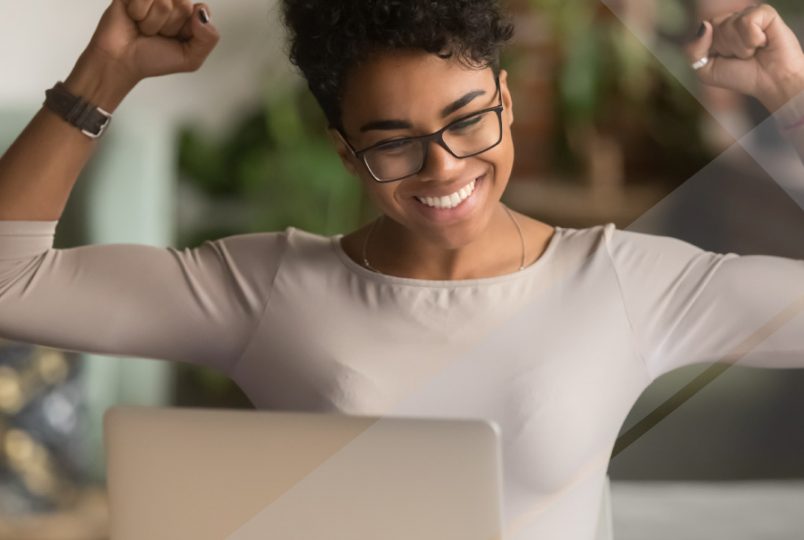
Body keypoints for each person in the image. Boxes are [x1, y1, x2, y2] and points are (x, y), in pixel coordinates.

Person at [0, 1, 802, 538]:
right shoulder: (266, 289)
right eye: (393, 141)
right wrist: (104, 73)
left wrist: (789, 93)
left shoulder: (624, 282)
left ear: (507, 102)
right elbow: (11, 286)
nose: (443, 165)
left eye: (468, 120)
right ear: (346, 154)